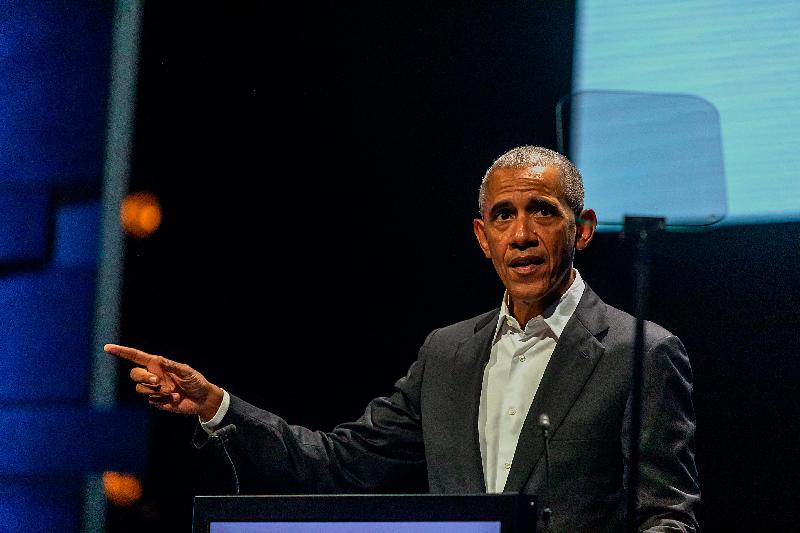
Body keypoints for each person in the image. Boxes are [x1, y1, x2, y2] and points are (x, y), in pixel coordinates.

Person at [106, 145, 700, 532]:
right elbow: (339, 464)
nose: (521, 234)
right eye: (503, 216)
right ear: (481, 236)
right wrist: (215, 405)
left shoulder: (639, 351)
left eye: (542, 212)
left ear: (584, 229)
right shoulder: (447, 354)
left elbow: (668, 519)